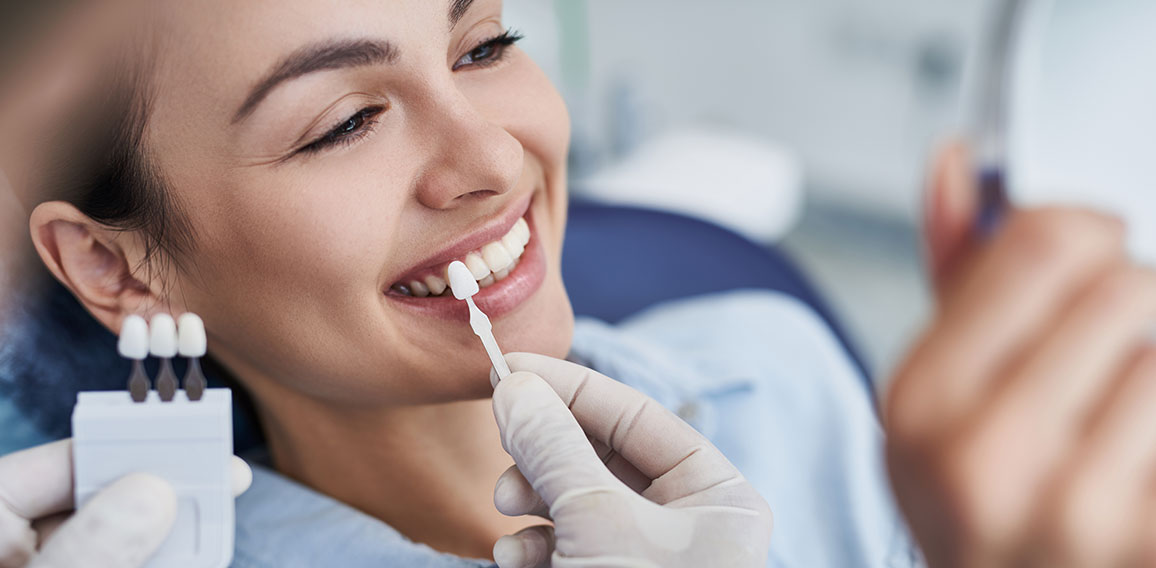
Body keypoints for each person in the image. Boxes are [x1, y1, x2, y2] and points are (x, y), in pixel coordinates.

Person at [2, 1, 1154, 567]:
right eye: (347, 122)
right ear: (116, 263)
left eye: (483, 47)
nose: (495, 159)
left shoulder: (775, 365)